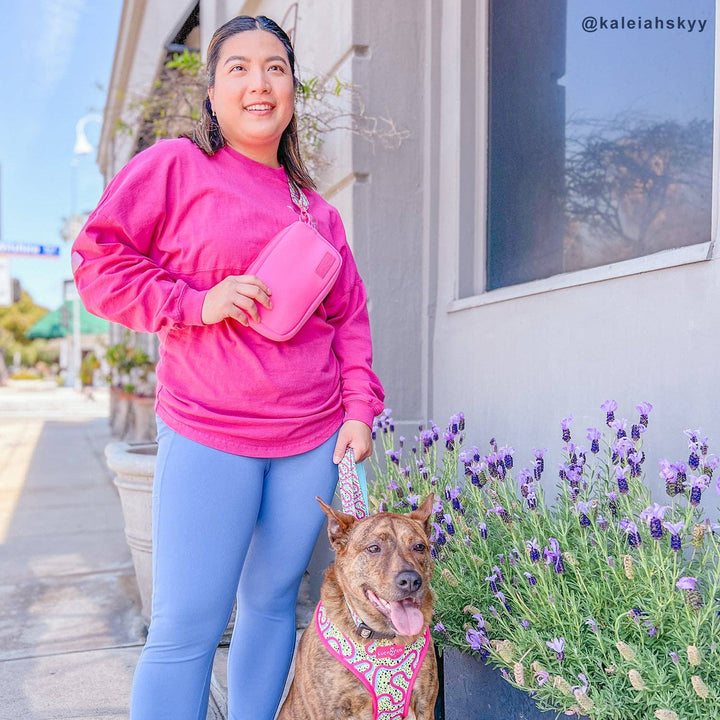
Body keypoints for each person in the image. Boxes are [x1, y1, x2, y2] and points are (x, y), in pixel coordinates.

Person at [71, 15, 384, 720]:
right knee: (186, 627)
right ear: (211, 93)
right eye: (237, 68)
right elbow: (99, 266)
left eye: (275, 67)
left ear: (293, 91)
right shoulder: (176, 167)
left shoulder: (316, 210)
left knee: (273, 605)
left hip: (309, 440)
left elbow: (349, 322)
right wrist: (195, 302)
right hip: (210, 433)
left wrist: (359, 410)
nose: (258, 83)